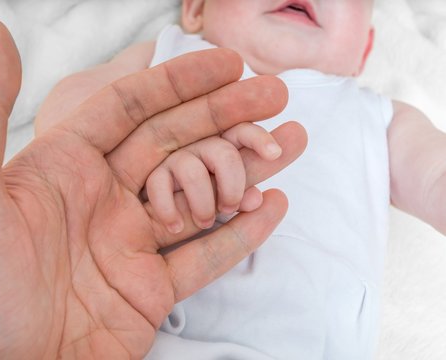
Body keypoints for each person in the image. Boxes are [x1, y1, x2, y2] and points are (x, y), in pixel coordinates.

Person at [34, 0, 446, 359]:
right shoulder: (170, 55)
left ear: (364, 50)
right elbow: (78, 116)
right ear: (196, 8)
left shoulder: (377, 114)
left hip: (303, 341)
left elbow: (434, 175)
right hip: (127, 318)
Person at [0, 18, 307, 359]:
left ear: (368, 48)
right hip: (142, 310)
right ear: (196, 10)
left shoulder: (368, 105)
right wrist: (94, 173)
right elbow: (80, 109)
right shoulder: (175, 49)